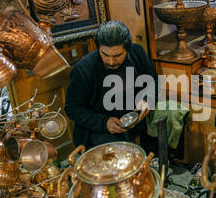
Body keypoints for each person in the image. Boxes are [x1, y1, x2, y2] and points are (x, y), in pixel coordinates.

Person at [64, 20, 158, 149]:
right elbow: (72, 108)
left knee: (170, 116)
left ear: (128, 48)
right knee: (118, 155)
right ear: (98, 49)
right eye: (105, 55)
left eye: (118, 55)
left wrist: (147, 100)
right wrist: (104, 122)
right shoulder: (84, 69)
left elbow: (153, 81)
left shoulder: (137, 52)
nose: (111, 61)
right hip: (101, 128)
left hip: (136, 117)